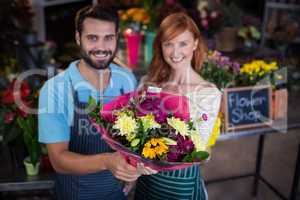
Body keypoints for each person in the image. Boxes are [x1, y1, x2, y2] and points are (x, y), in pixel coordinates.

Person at [38, 4, 143, 200]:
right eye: (92, 38)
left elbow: (132, 136)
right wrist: (107, 161)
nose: (102, 47)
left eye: (108, 38)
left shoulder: (126, 79)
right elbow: (58, 160)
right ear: (78, 38)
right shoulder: (56, 90)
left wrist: (132, 170)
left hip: (117, 195)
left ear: (117, 37)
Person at [134, 12, 222, 200]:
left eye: (183, 43)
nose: (175, 53)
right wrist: (134, 156)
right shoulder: (148, 83)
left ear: (195, 44)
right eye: (169, 44)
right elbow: (134, 132)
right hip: (146, 180)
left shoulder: (207, 93)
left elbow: (201, 152)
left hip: (181, 184)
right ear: (161, 46)